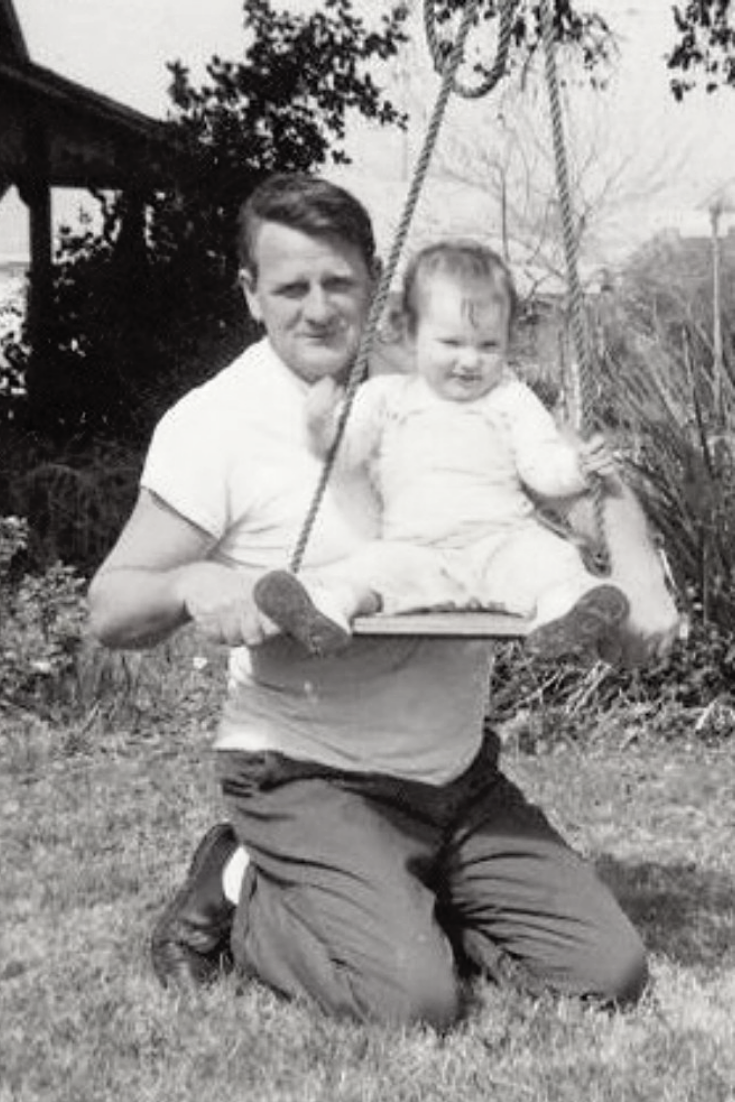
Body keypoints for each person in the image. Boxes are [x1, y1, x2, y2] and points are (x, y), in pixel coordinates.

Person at [88, 173, 647, 1028]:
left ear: (376, 280)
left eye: (338, 283)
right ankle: (245, 884)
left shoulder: (446, 375)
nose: (316, 309)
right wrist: (193, 583)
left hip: (454, 775)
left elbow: (583, 485)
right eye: (290, 287)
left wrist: (637, 575)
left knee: (607, 973)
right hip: (306, 771)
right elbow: (111, 607)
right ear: (249, 294)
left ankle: (401, 896)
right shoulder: (215, 425)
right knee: (411, 1003)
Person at [253, 240, 630, 663]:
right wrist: (322, 427)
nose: (470, 361)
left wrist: (578, 466)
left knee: (552, 562)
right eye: (451, 343)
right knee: (365, 570)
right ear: (411, 335)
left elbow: (541, 464)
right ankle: (325, 608)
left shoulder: (510, 396)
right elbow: (346, 453)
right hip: (416, 550)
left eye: (488, 346)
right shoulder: (385, 397)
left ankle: (563, 614)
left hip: (502, 542)